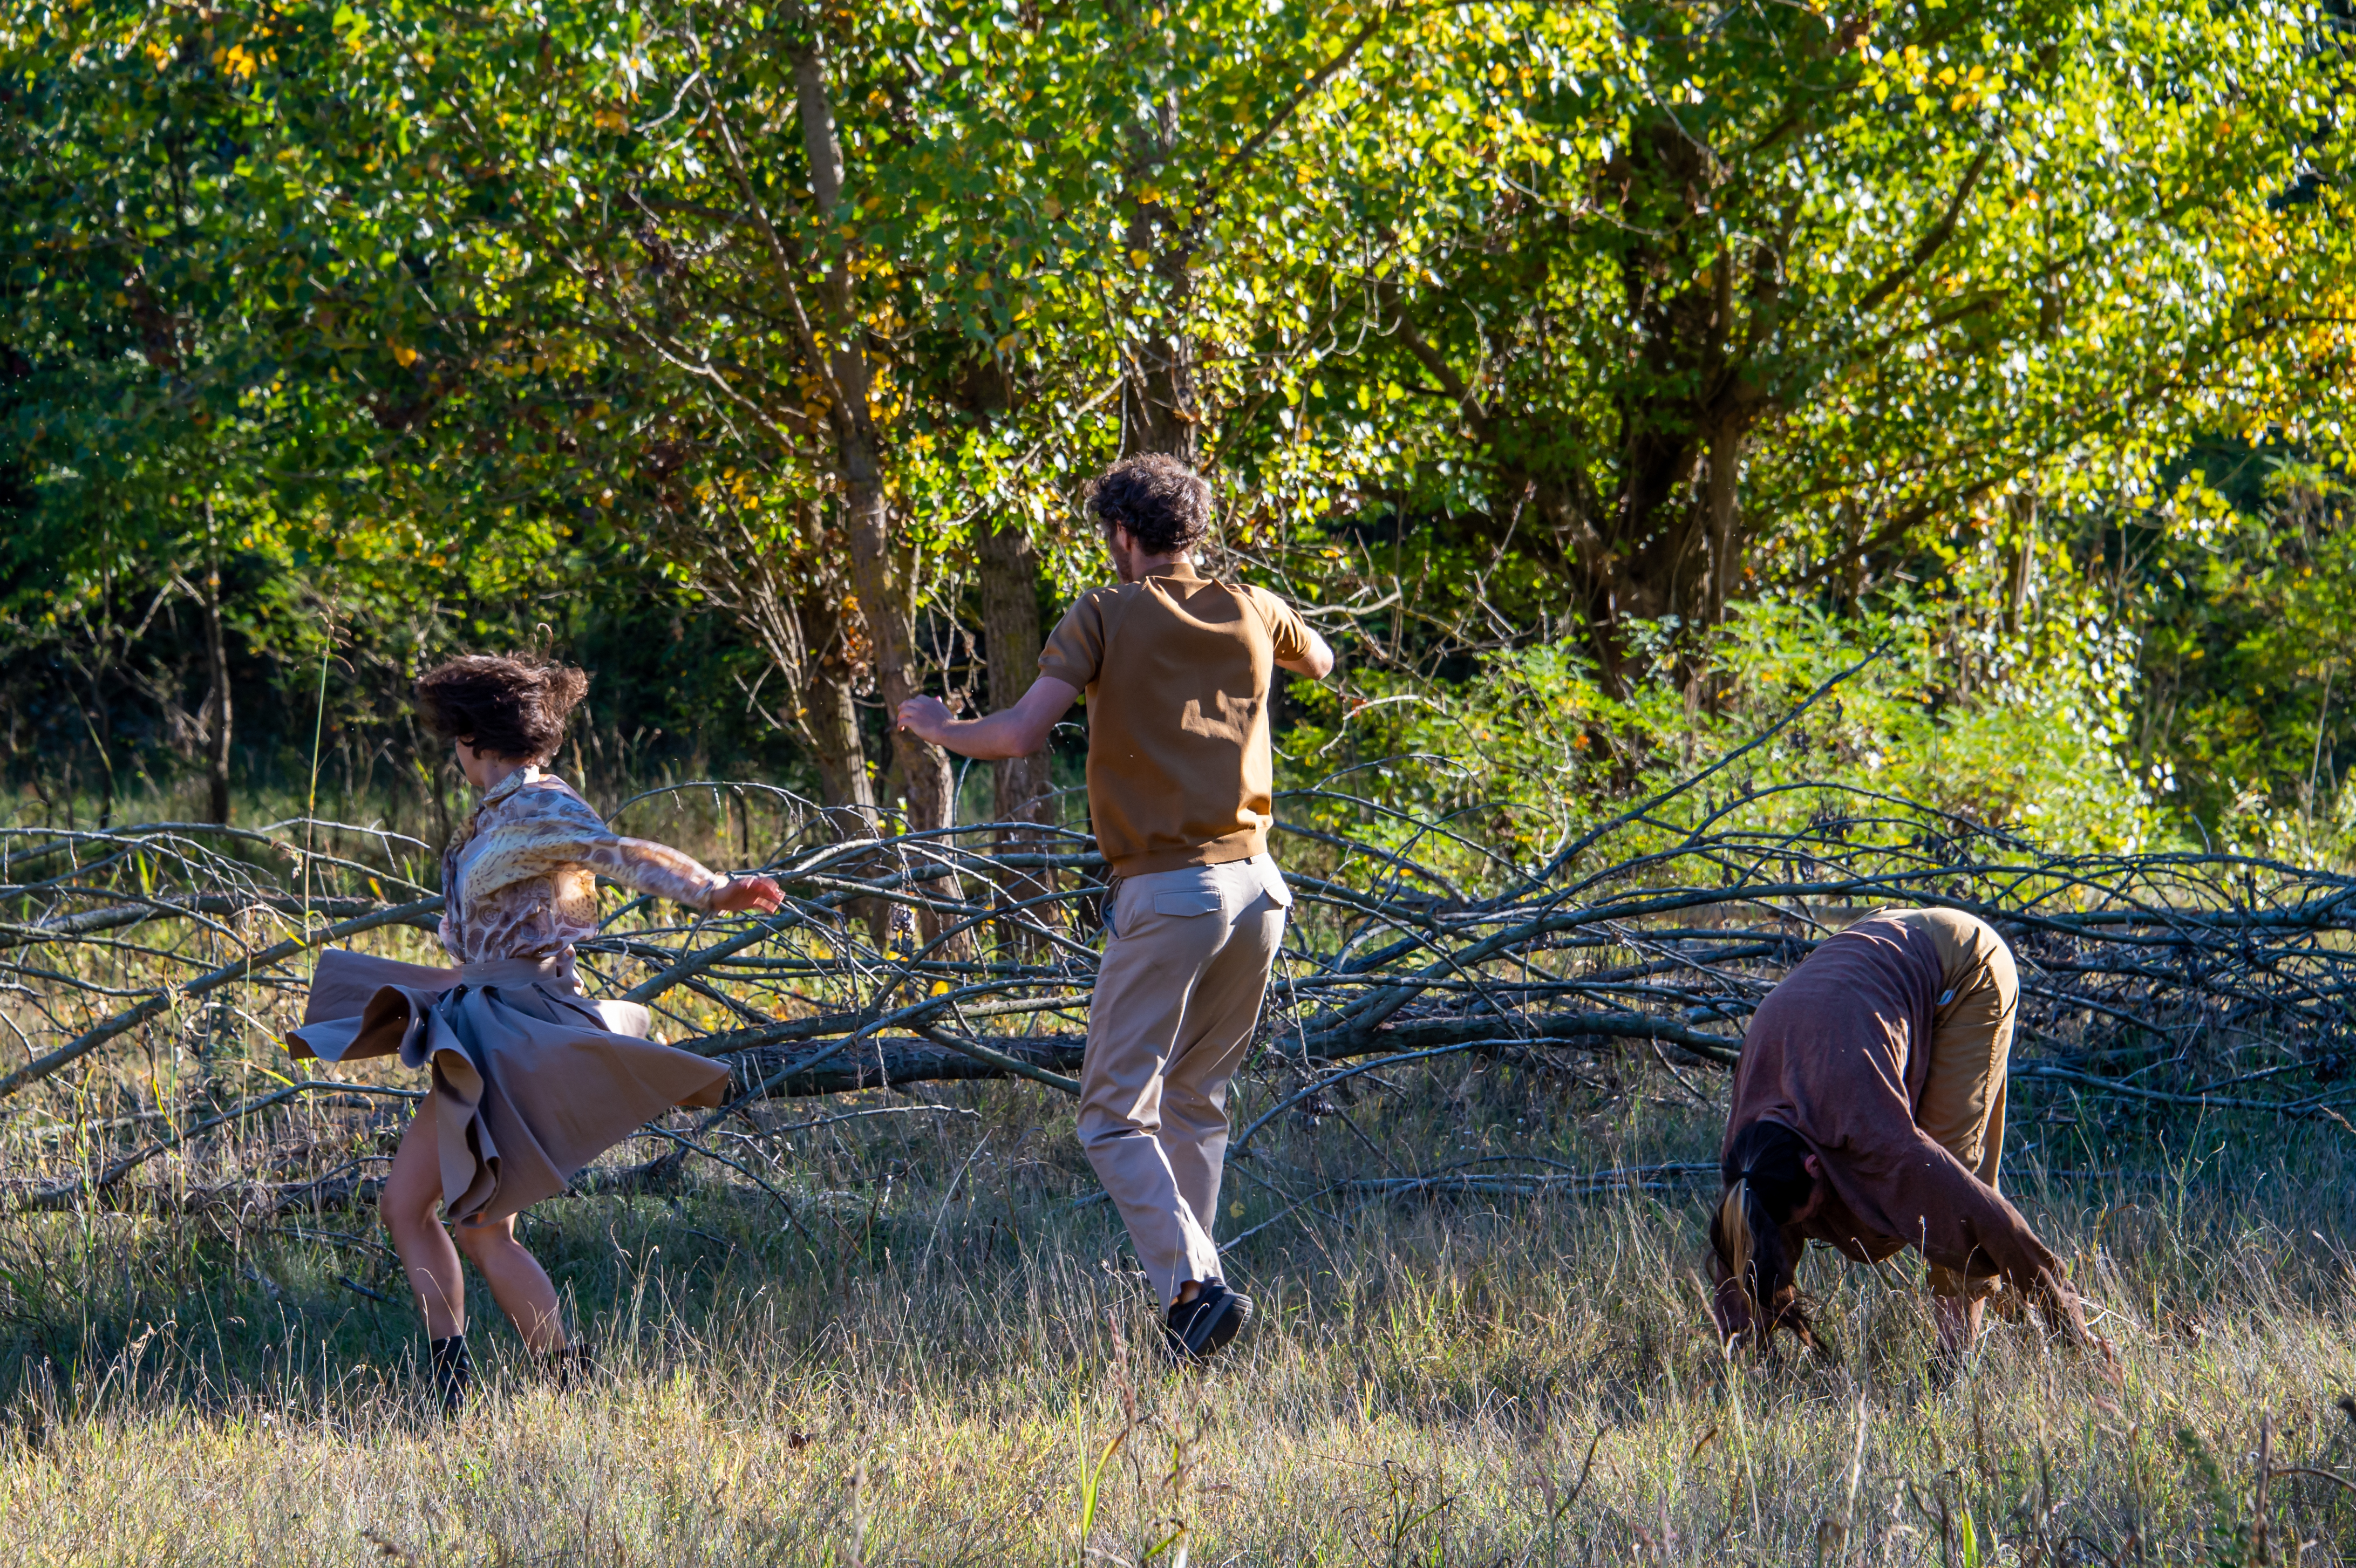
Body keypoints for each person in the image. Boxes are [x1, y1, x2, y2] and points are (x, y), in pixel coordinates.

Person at [896, 453, 1335, 1362]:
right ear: (1194, 531)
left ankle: (1192, 1283)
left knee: (1109, 1113)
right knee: (1197, 1100)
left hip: (1170, 889)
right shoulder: (1253, 606)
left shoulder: (1104, 612)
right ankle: (1193, 1310)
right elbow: (1323, 659)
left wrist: (936, 725)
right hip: (1260, 887)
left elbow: (1020, 733)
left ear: (1124, 537)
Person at [288, 653, 782, 1410]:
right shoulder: (496, 812)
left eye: (454, 737)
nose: (453, 753)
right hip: (481, 1017)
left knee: (478, 1223)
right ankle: (457, 1391)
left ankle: (560, 1389)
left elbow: (619, 852)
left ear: (473, 739)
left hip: (518, 1029)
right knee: (415, 1207)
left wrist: (714, 891)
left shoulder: (538, 806)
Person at [1708, 906, 2105, 1360]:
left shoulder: (1865, 1122)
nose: (1820, 1230)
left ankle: (1956, 1361)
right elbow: (1748, 1227)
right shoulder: (1745, 1155)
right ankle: (1753, 1357)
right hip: (1874, 952)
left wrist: (2072, 1328)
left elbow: (1970, 1207)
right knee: (1773, 1202)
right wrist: (1742, 1349)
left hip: (1963, 968)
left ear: (1814, 1163)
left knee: (1951, 1167)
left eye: (1813, 1213)